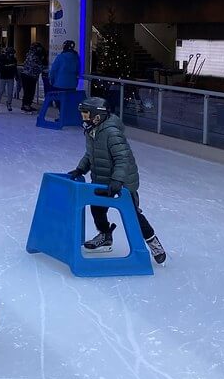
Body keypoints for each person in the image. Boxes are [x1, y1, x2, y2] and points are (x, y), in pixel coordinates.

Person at [68, 97, 167, 265]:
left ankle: (153, 243)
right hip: (102, 179)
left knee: (133, 214)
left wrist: (117, 180)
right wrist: (81, 169)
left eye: (86, 115)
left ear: (97, 116)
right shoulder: (92, 130)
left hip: (123, 182)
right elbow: (91, 154)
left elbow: (123, 159)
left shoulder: (111, 132)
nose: (83, 118)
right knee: (97, 209)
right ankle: (105, 235)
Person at [20, 42, 46, 113]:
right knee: (29, 91)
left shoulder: (31, 54)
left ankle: (26, 104)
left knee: (29, 91)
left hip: (28, 75)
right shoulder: (34, 56)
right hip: (29, 75)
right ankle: (26, 105)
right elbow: (36, 65)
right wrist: (44, 68)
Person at [0, 48, 18, 113]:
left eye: (12, 54)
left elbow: (15, 68)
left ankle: (9, 103)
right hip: (3, 77)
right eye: (10, 53)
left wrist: (16, 75)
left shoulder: (14, 60)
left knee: (10, 92)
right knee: (1, 91)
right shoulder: (3, 59)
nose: (11, 55)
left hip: (10, 77)